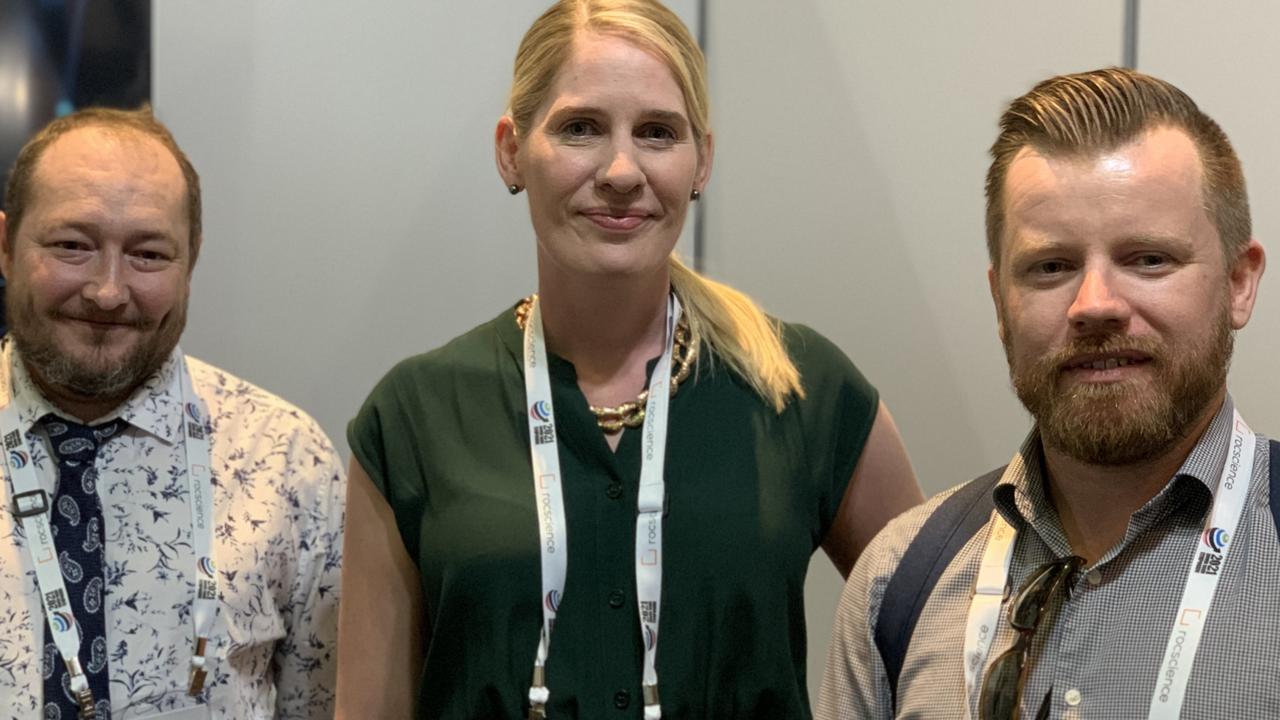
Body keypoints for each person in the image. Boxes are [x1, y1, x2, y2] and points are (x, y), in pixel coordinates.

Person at [336, 1, 923, 717]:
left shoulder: (802, 389)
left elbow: (939, 652)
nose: (621, 170)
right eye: (580, 128)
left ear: (700, 160)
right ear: (511, 150)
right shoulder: (413, 419)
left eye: (657, 133)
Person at [817, 67, 1273, 720]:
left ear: (1238, 283)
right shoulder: (900, 582)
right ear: (1000, 300)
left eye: (1147, 259)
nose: (1095, 305)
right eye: (1051, 267)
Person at [0, 107, 344, 719]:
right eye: (72, 246)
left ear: (192, 260)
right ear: (5, 246)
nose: (108, 291)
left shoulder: (286, 457)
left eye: (149, 255)